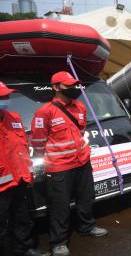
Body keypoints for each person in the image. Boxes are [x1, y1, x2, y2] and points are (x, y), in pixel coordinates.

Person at [31, 71, 108, 256]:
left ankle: (87, 227)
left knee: (87, 197)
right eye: (68, 85)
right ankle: (58, 242)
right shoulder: (45, 112)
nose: (73, 88)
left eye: (74, 85)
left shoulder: (80, 107)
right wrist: (52, 158)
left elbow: (81, 131)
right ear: (56, 87)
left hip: (82, 161)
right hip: (59, 167)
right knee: (60, 205)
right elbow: (38, 142)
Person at [0, 82, 44, 256]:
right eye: (2, 97)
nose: (6, 100)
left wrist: (28, 173)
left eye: (7, 96)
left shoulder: (14, 117)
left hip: (19, 180)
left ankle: (23, 250)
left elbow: (22, 147)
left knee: (23, 219)